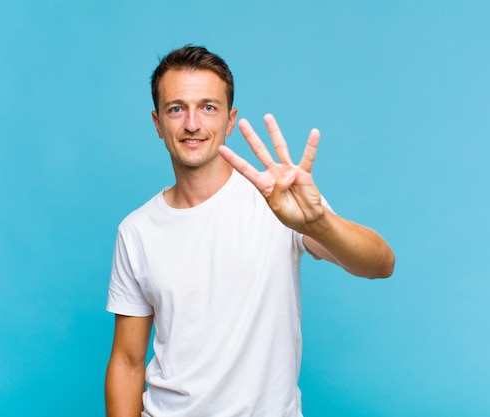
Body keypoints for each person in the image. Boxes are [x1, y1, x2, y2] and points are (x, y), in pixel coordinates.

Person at [105, 45, 395, 417]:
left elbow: (380, 264)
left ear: (230, 120)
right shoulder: (137, 230)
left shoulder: (278, 201)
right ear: (158, 123)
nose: (192, 124)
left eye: (208, 107)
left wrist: (317, 222)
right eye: (176, 108)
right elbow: (127, 363)